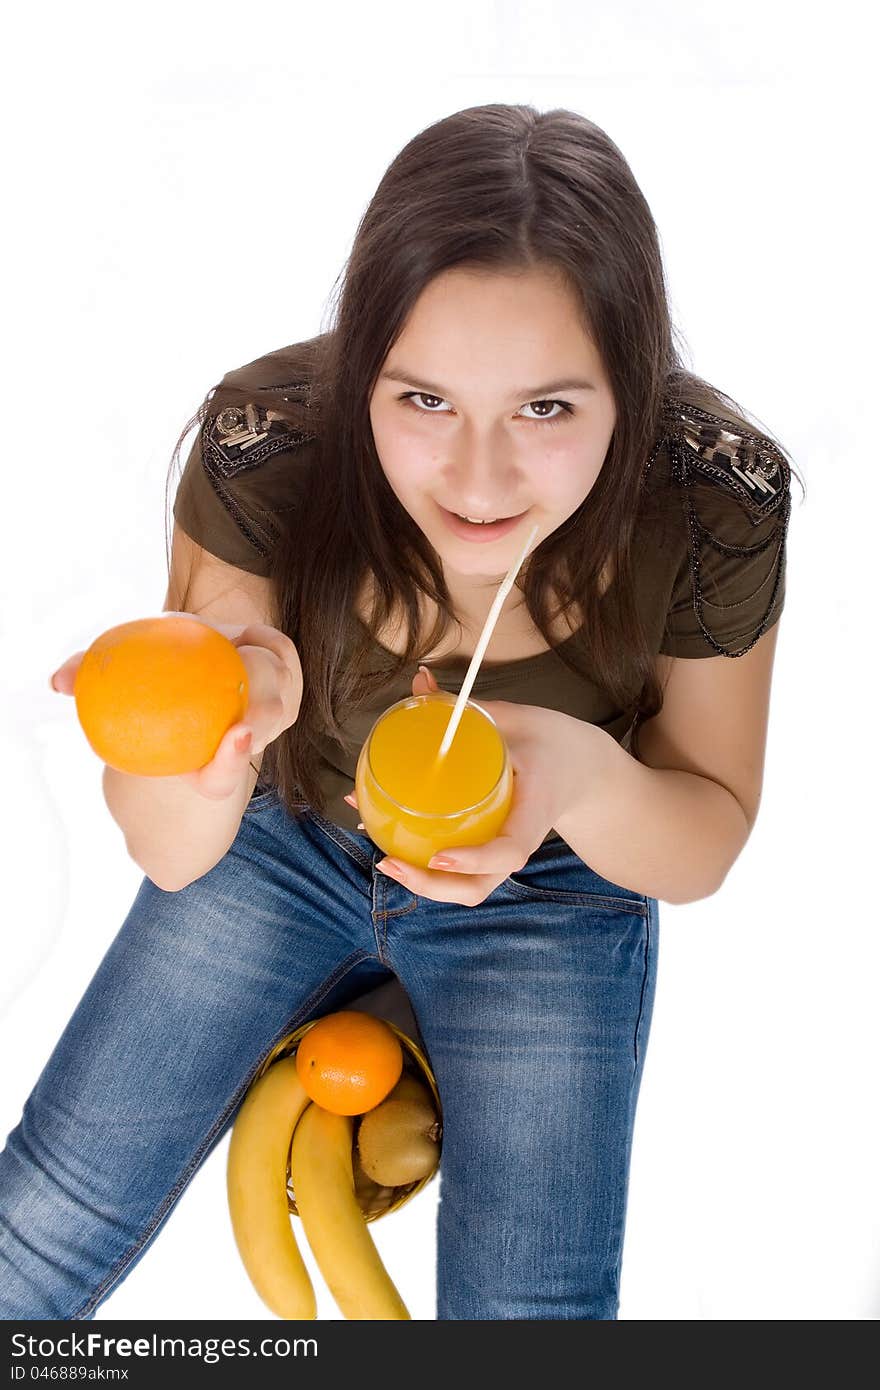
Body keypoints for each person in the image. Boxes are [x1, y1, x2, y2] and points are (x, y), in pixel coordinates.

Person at [0, 102, 798, 1321]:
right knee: (41, 1225)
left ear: (632, 388)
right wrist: (217, 756)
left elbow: (705, 837)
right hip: (287, 829)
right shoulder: (271, 444)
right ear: (359, 361)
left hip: (561, 885)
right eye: (421, 401)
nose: (477, 479)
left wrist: (573, 772)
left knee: (528, 1316)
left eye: (547, 410)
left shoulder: (710, 498)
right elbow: (170, 851)